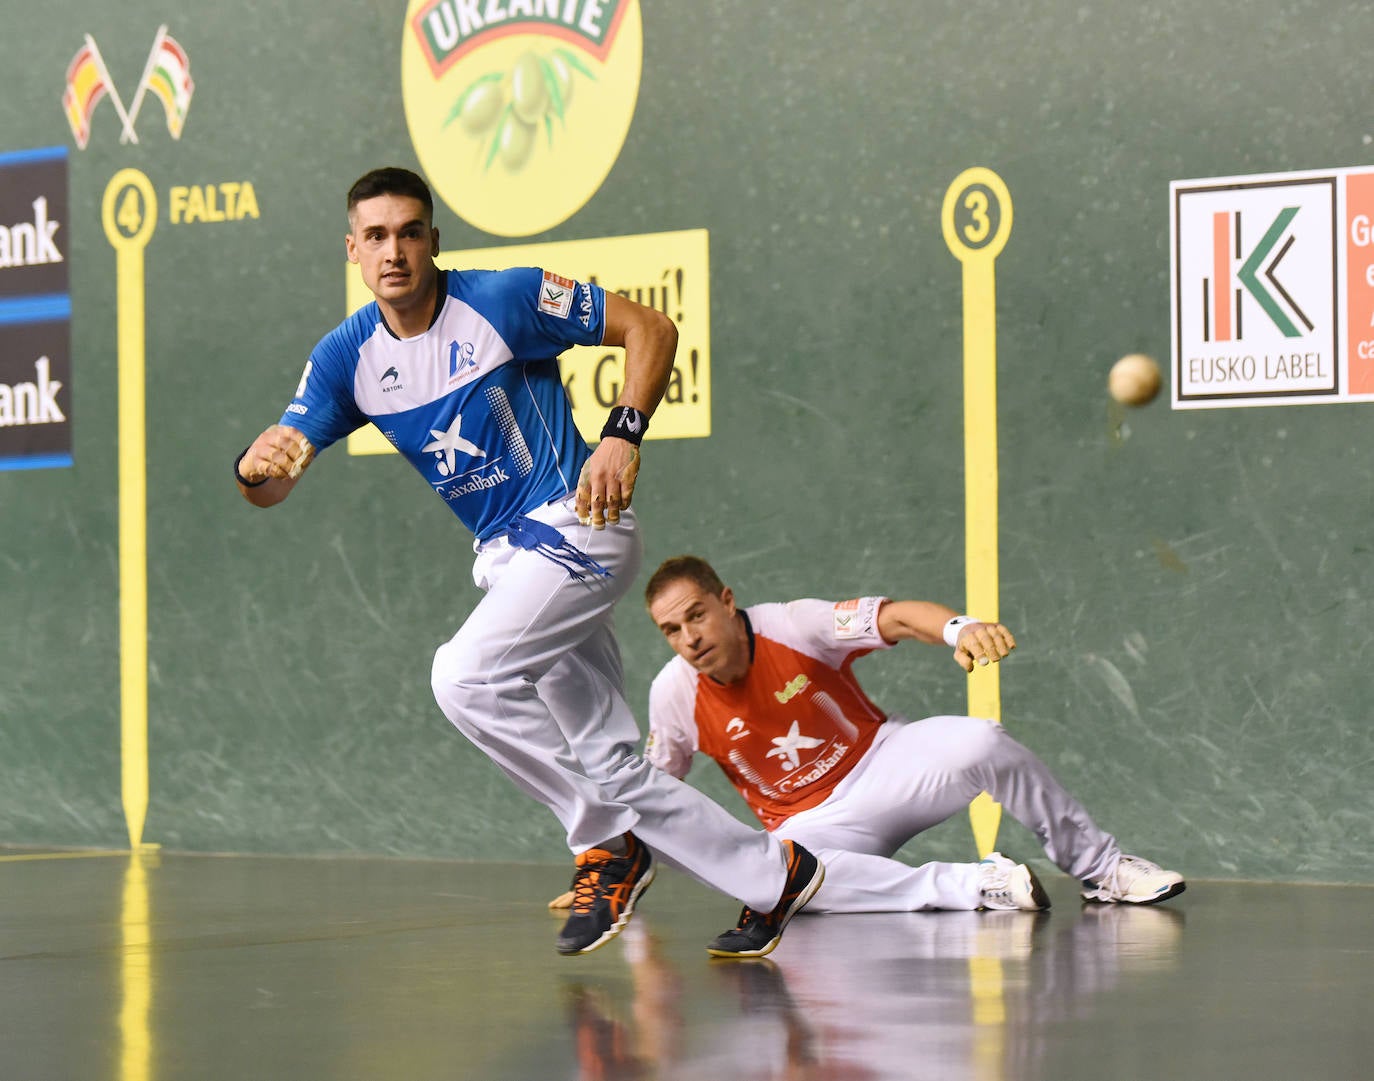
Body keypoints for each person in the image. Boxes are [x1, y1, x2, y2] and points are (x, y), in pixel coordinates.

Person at [232, 167, 823, 958]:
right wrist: (256, 465)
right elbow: (270, 487)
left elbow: (650, 327)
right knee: (613, 763)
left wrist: (622, 433)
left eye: (410, 231)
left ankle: (605, 846)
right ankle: (775, 874)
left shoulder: (504, 298)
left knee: (462, 677)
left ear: (433, 241)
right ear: (352, 251)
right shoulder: (346, 359)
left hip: (578, 527)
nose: (394, 251)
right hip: (510, 566)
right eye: (375, 236)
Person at [639, 554, 1185, 914]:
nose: (689, 638)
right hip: (811, 826)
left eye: (697, 616)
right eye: (672, 630)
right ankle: (978, 886)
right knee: (773, 883)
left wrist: (961, 628)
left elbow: (895, 618)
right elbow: (654, 794)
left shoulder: (792, 624)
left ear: (727, 602)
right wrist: (610, 870)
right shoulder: (673, 695)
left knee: (982, 742)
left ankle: (1102, 868)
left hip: (886, 764)